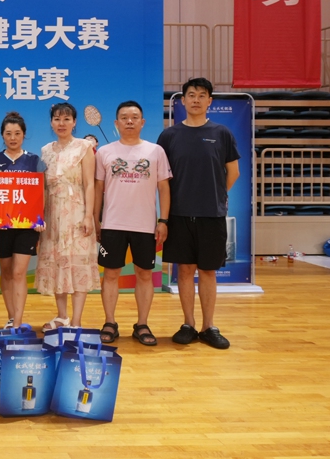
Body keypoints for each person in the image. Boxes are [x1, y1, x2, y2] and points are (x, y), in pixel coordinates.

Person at [157, 77, 239, 350]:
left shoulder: (222, 133)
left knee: (207, 271)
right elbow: (162, 178)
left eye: (202, 95)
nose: (196, 99)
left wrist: (216, 195)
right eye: (191, 95)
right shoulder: (169, 136)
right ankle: (188, 324)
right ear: (182, 101)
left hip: (211, 215)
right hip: (179, 215)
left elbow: (233, 172)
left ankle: (209, 327)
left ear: (209, 101)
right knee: (184, 270)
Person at [94, 101, 171, 347]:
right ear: (116, 123)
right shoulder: (104, 152)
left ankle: (142, 324)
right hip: (112, 224)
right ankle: (109, 322)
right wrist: (96, 219)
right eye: (124, 117)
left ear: (142, 122)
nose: (129, 121)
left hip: (145, 225)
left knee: (144, 274)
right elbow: (97, 189)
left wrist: (163, 220)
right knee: (110, 274)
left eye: (134, 117)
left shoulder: (155, 151)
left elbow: (164, 188)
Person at [35, 102, 97, 330]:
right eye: (57, 119)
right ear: (51, 122)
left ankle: (77, 321)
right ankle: (62, 316)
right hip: (53, 215)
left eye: (66, 119)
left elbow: (89, 184)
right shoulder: (45, 150)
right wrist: (39, 217)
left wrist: (89, 216)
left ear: (74, 122)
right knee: (56, 264)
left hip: (77, 212)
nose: (61, 123)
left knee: (78, 263)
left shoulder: (84, 147)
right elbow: (42, 187)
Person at [0, 111, 47, 329]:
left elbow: (41, 193)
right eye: (8, 133)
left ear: (24, 135)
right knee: (6, 272)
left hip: (27, 226)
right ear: (2, 135)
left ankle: (18, 321)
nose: (12, 138)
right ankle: (11, 317)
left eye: (17, 133)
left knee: (18, 272)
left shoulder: (34, 161)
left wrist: (40, 218)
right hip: (1, 227)